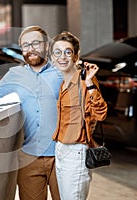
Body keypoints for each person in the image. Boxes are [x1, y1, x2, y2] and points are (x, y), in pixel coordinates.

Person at [0, 25, 63, 200]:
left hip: (62, 155)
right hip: (29, 157)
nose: (30, 49)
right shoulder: (15, 74)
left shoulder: (62, 71)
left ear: (46, 46)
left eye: (35, 43)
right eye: (25, 46)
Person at [50, 31, 108, 200]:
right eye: (57, 52)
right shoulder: (63, 82)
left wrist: (90, 83)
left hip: (76, 150)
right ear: (52, 57)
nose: (62, 57)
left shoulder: (84, 80)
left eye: (68, 52)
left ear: (76, 56)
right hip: (60, 148)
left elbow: (101, 113)